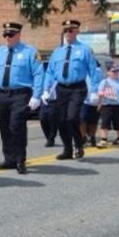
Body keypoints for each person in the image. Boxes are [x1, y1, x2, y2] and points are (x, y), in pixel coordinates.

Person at [0, 22, 43, 174]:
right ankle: (9, 159)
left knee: (17, 126)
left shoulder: (30, 52)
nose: (7, 38)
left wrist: (37, 96)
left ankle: (20, 159)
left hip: (20, 94)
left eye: (11, 35)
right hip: (2, 94)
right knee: (5, 127)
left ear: (18, 35)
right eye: (5, 35)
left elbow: (38, 74)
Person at [43, 20, 101, 160]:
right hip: (61, 88)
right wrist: (46, 89)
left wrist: (94, 90)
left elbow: (93, 71)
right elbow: (50, 72)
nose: (68, 33)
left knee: (72, 117)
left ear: (77, 32)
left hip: (77, 88)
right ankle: (67, 149)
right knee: (61, 120)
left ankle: (79, 143)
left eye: (71, 30)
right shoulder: (57, 51)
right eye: (66, 30)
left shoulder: (84, 50)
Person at [96, 62, 119, 148]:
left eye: (117, 71)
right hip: (107, 104)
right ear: (108, 72)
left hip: (118, 105)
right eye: (113, 71)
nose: (115, 73)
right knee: (105, 122)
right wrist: (100, 101)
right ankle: (103, 140)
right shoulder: (104, 82)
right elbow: (100, 93)